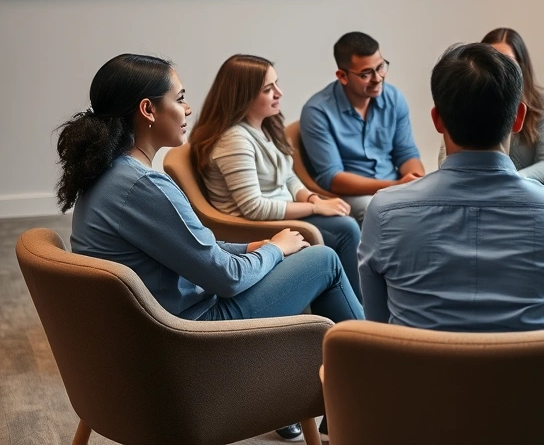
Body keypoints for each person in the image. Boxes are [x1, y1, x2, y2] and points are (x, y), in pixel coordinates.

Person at [57, 54, 362, 441]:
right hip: (190, 339)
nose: (188, 109)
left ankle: (290, 395)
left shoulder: (108, 173)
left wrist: (250, 247)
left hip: (147, 336)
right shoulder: (144, 187)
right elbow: (227, 279)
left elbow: (191, 245)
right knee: (324, 261)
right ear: (148, 110)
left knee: (295, 256)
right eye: (180, 98)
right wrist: (273, 249)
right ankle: (372, 394)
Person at [357, 43, 544, 332]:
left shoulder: (383, 212)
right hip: (536, 363)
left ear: (437, 120)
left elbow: (380, 329)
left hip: (420, 363)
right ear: (519, 118)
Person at [189, 54, 362, 299]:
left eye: (276, 84)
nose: (279, 93)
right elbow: (254, 207)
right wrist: (315, 208)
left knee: (343, 218)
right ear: (243, 96)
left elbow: (288, 177)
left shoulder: (265, 126)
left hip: (282, 212)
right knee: (346, 228)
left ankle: (353, 303)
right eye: (268, 89)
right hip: (253, 225)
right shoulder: (234, 141)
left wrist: (313, 199)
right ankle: (358, 307)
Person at [300, 31, 424, 222]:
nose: (378, 78)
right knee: (375, 210)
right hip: (352, 193)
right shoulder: (317, 111)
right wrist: (394, 186)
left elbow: (406, 153)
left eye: (380, 67)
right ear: (342, 76)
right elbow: (332, 177)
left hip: (393, 184)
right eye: (366, 74)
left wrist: (417, 180)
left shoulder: (394, 98)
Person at [440, 28, 544, 183]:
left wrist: (509, 180)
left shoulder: (543, 101)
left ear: (518, 116)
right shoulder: (467, 99)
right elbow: (446, 154)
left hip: (522, 188)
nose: (498, 70)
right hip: (471, 185)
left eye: (507, 61)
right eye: (490, 61)